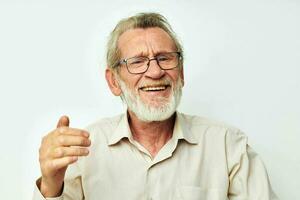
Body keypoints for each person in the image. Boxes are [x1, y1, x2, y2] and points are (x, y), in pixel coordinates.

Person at [33, 12, 278, 200]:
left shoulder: (228, 145)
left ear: (180, 72)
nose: (155, 71)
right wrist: (51, 184)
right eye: (137, 61)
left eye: (164, 58)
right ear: (114, 81)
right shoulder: (83, 150)